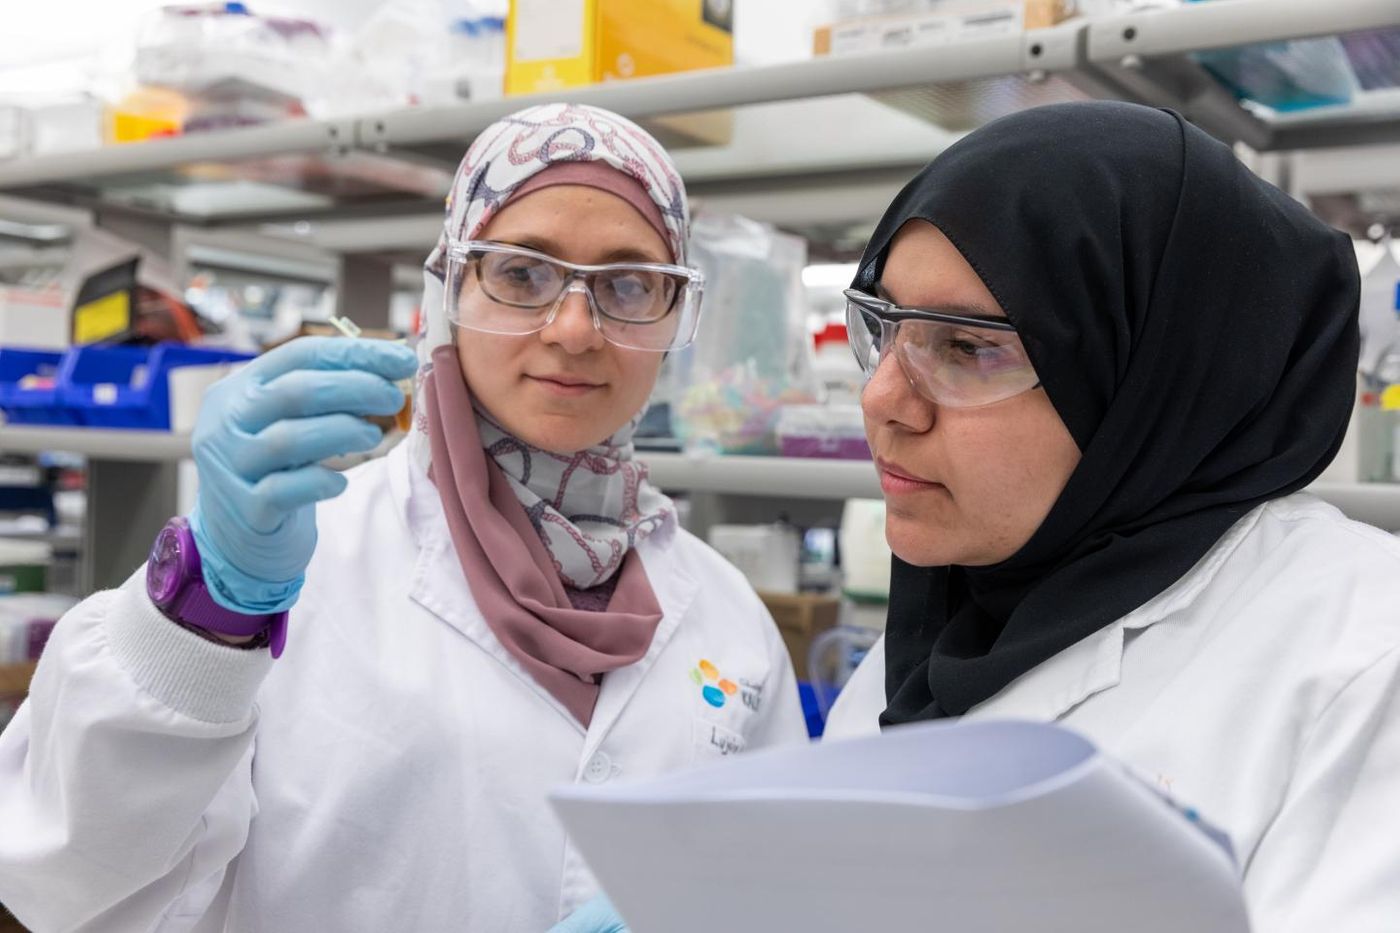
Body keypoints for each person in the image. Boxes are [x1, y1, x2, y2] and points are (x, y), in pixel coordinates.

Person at [554, 100, 1400, 932]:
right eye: (883, 326)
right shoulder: (936, 632)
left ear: (1147, 380)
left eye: (966, 347)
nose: (883, 399)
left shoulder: (1359, 654)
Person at [0, 103, 806, 932]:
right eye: (522, 272)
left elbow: (786, 886)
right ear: (447, 292)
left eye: (629, 285)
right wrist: (206, 610)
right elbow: (74, 878)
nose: (573, 329)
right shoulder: (294, 563)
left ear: (676, 318)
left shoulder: (729, 618)